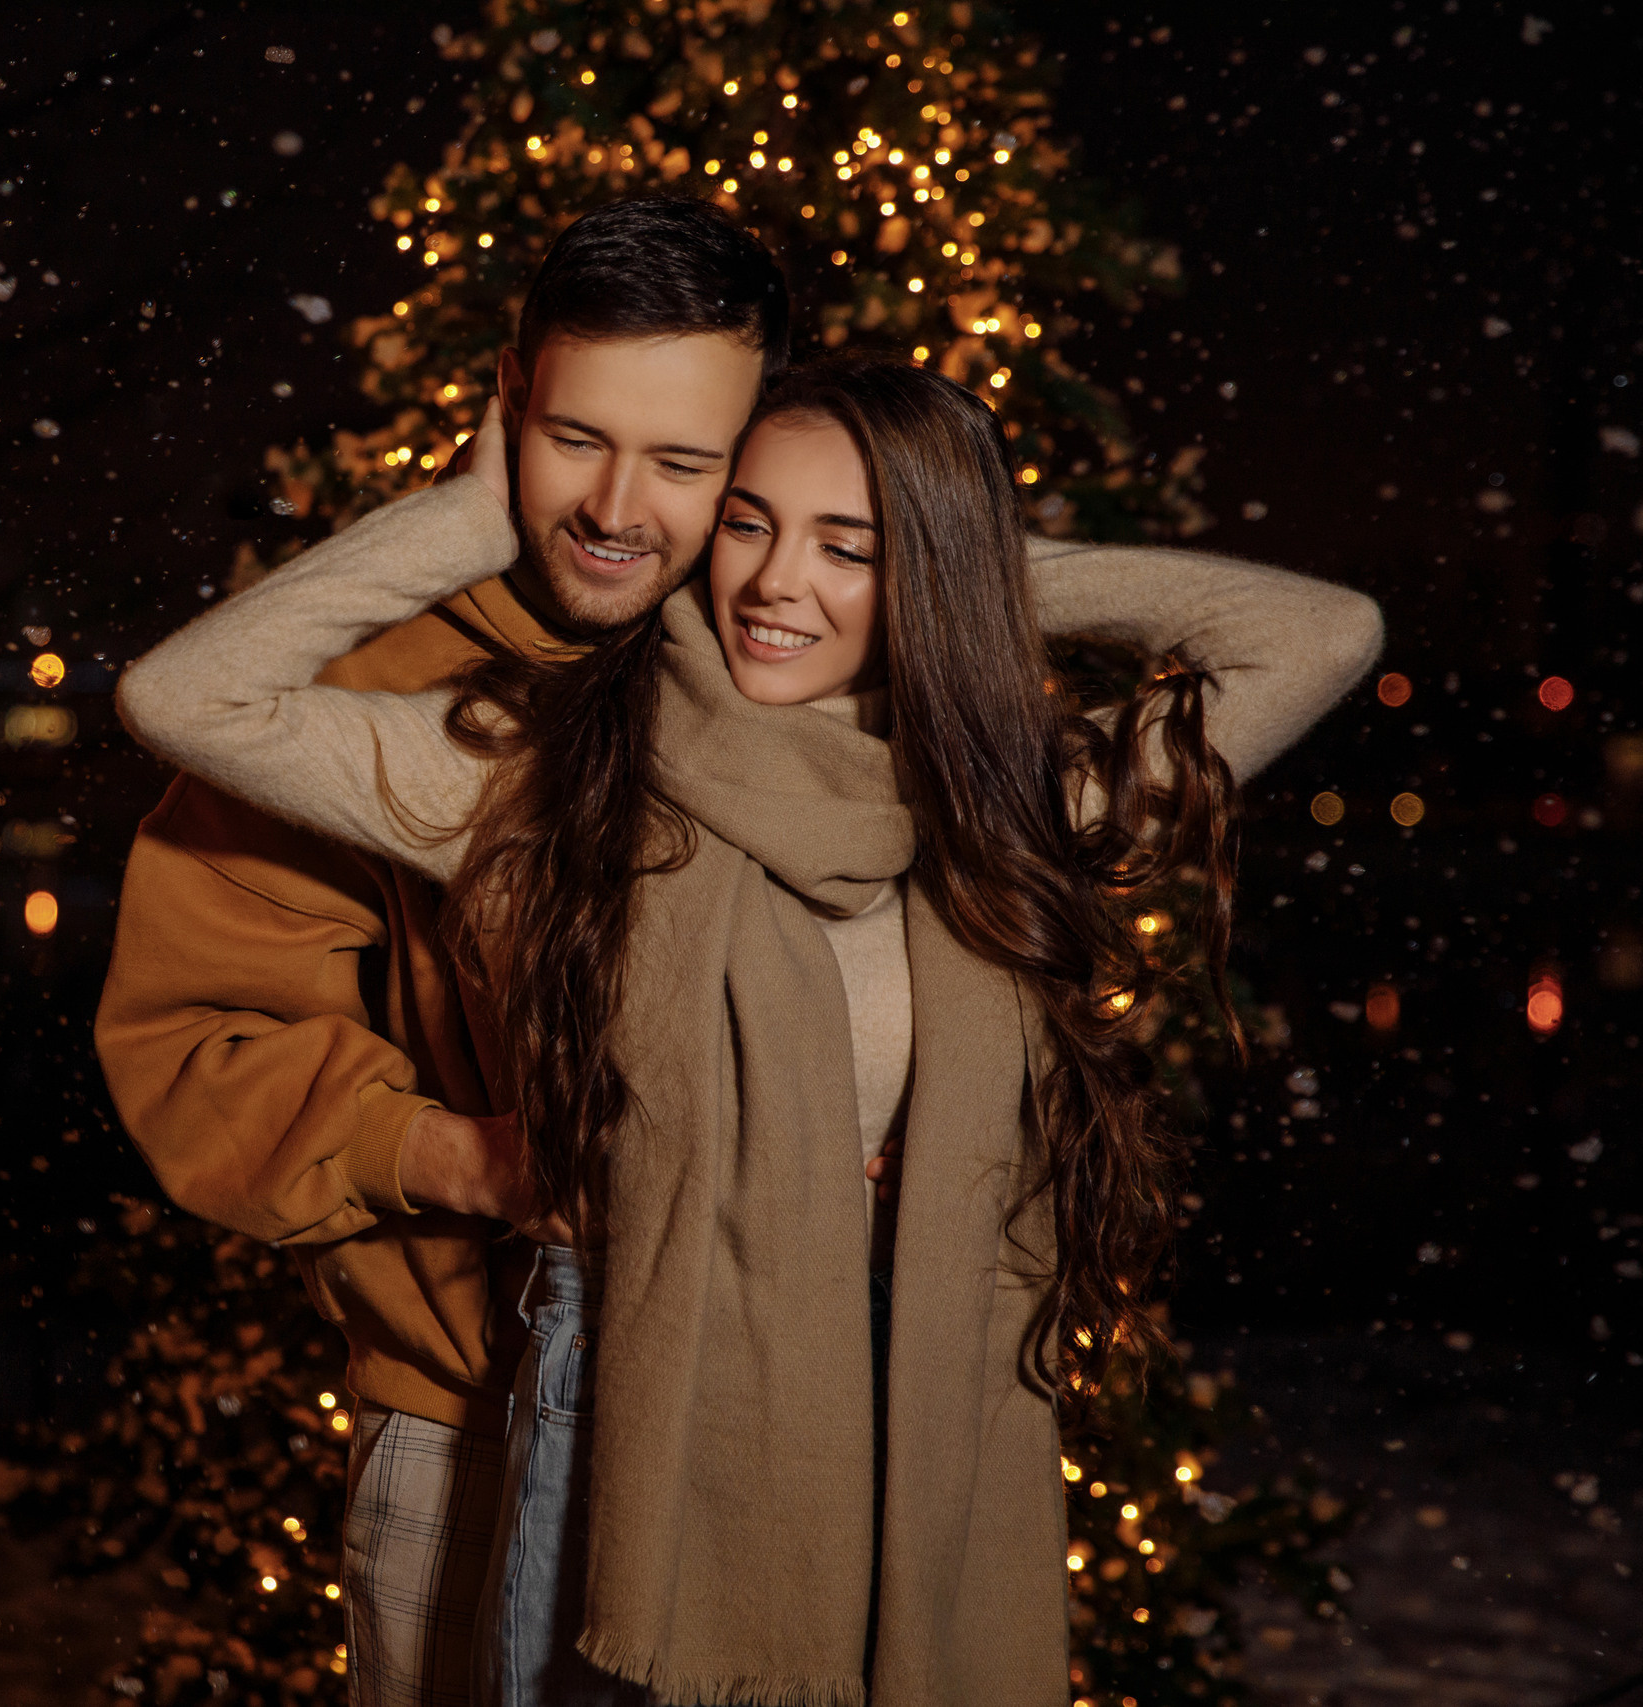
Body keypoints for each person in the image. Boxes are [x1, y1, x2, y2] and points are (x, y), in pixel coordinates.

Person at [112, 349, 1381, 1706]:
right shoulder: (547, 782)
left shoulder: (1001, 802)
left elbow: (1325, 636)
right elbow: (184, 702)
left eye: (848, 548)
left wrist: (974, 554)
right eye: (752, 525)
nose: (777, 585)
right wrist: (470, 521)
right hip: (622, 1399)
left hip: (913, 1406)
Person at [94, 196, 790, 1706]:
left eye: (685, 461)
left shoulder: (802, 666)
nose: (618, 507)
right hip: (465, 1424)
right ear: (504, 405)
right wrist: (472, 1162)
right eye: (575, 440)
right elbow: (194, 1035)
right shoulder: (361, 689)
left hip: (780, 1439)